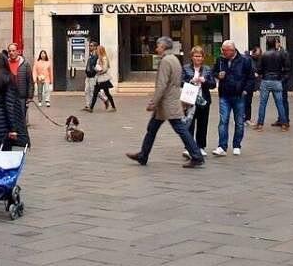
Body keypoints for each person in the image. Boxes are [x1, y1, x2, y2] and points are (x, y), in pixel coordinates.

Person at [125, 36, 204, 168]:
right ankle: (143, 155)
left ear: (163, 47)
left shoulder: (166, 61)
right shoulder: (174, 59)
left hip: (167, 103)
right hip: (169, 101)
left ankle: (196, 156)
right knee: (152, 128)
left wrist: (153, 102)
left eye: (158, 46)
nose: (156, 49)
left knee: (180, 128)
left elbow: (162, 85)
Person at [213, 41, 254, 156]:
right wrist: (217, 75)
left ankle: (236, 145)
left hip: (239, 95)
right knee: (223, 121)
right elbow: (214, 72)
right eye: (222, 50)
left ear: (232, 50)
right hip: (224, 95)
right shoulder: (220, 60)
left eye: (225, 51)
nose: (223, 53)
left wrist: (246, 90)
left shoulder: (245, 61)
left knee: (239, 122)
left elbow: (251, 78)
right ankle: (222, 146)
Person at [181, 45, 216, 158]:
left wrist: (204, 81)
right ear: (192, 57)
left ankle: (201, 147)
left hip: (203, 99)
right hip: (189, 100)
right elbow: (180, 81)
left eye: (200, 56)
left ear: (203, 57)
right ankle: (189, 147)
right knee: (189, 124)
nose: (198, 58)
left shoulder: (207, 69)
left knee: (202, 124)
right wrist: (191, 80)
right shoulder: (185, 68)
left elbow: (213, 84)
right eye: (196, 56)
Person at [255, 38, 290, 131]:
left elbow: (259, 69)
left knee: (263, 104)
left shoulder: (263, 55)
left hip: (266, 80)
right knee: (280, 103)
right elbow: (286, 68)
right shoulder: (281, 54)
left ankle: (260, 124)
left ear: (267, 44)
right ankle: (284, 124)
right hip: (277, 81)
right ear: (275, 44)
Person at [87, 45, 116, 112]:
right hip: (99, 78)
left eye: (97, 49)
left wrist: (99, 71)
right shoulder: (99, 58)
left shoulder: (104, 58)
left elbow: (105, 69)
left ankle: (91, 108)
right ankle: (91, 108)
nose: (96, 51)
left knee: (104, 93)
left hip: (103, 79)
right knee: (99, 93)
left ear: (100, 50)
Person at [7, 42, 32, 121]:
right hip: (9, 96)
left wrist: (29, 96)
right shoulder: (6, 64)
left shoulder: (25, 64)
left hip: (21, 96)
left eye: (13, 51)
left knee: (21, 119)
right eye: (10, 51)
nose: (11, 53)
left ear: (18, 51)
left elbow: (30, 81)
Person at [243, 46, 262, 120]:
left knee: (248, 102)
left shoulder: (257, 59)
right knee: (245, 102)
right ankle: (243, 118)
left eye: (259, 55)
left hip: (251, 83)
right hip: (245, 83)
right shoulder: (246, 58)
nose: (258, 56)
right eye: (257, 55)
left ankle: (247, 118)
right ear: (253, 53)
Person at [83, 40, 99, 110]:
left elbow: (95, 65)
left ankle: (105, 99)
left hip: (93, 75)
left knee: (93, 91)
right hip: (88, 75)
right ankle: (87, 105)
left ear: (95, 47)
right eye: (89, 46)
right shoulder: (91, 54)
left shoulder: (96, 56)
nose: (90, 47)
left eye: (91, 46)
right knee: (86, 91)